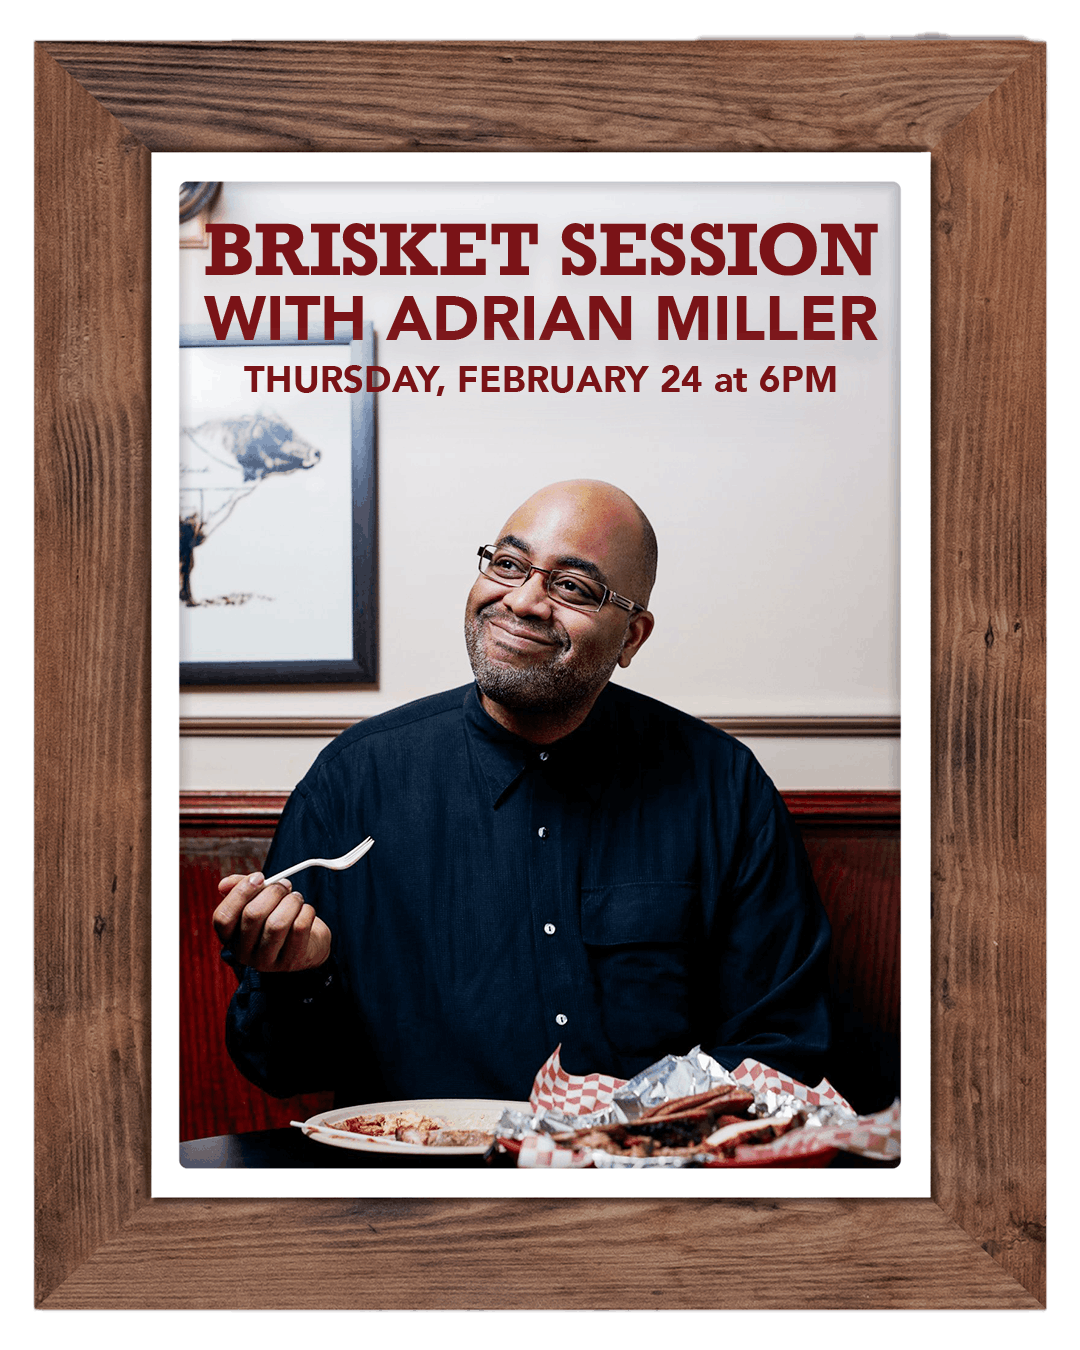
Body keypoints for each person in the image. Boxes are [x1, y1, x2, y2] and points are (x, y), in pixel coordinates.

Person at [214, 480, 831, 1104]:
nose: (525, 601)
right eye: (508, 565)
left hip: (639, 1181)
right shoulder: (353, 780)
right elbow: (282, 1070)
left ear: (632, 638)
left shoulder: (723, 787)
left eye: (572, 587)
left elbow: (780, 1045)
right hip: (419, 1187)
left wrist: (618, 1131)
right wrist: (294, 978)